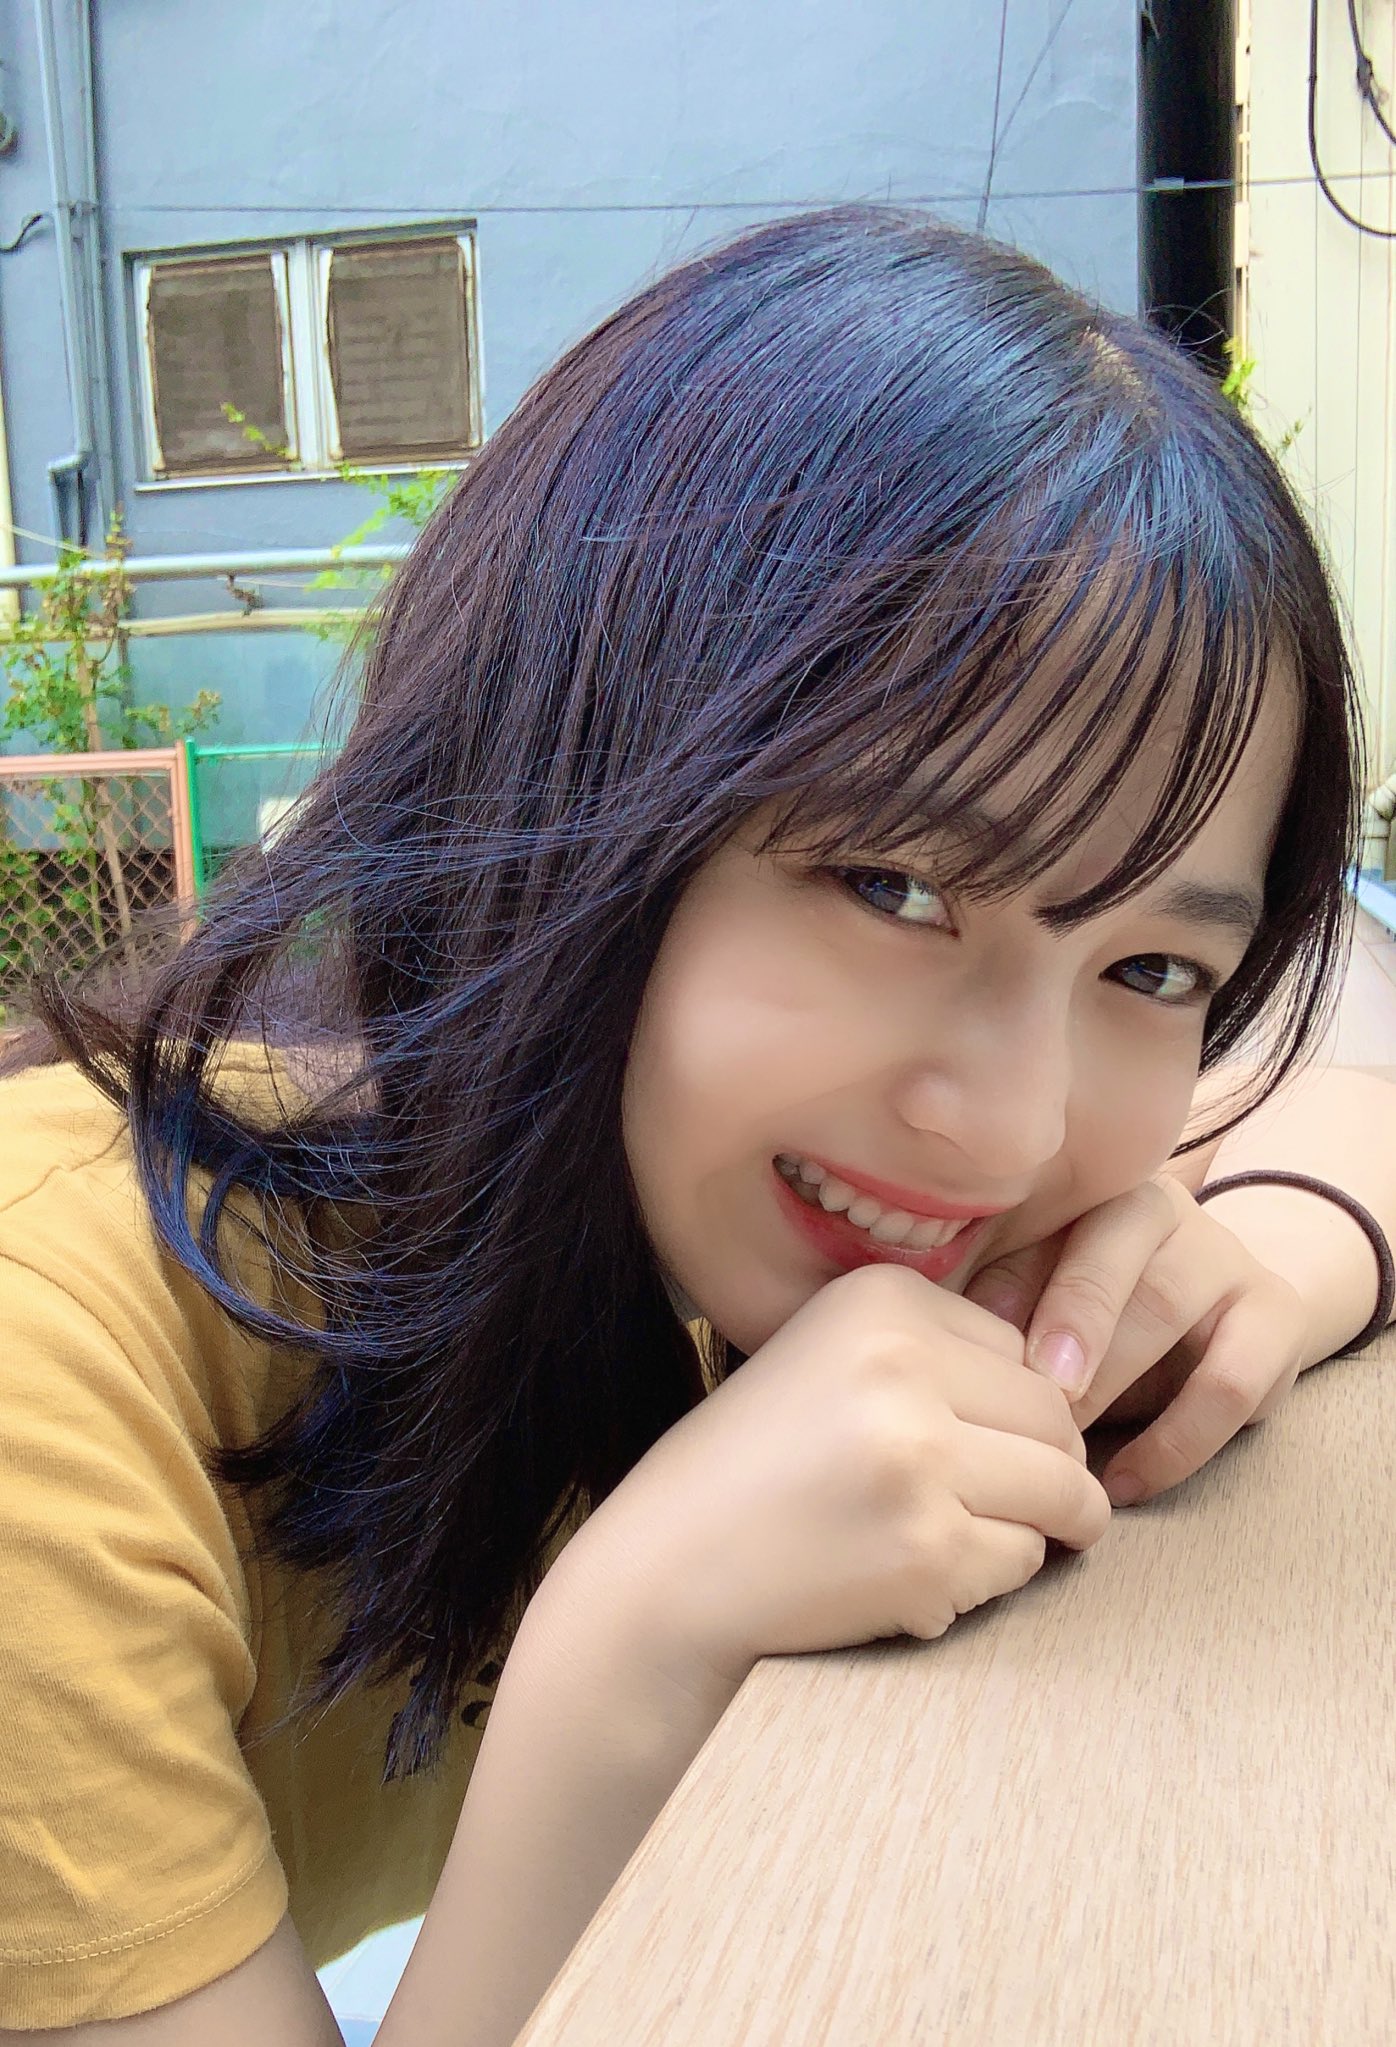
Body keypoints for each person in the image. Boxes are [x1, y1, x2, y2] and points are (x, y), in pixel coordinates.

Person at [1, 205, 1393, 2047]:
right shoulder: (47, 1388)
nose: (1009, 1132)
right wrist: (634, 1655)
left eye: (1149, 968)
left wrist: (1272, 1267)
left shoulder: (661, 1185)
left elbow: (1358, 1049)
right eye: (896, 889)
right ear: (565, 788)